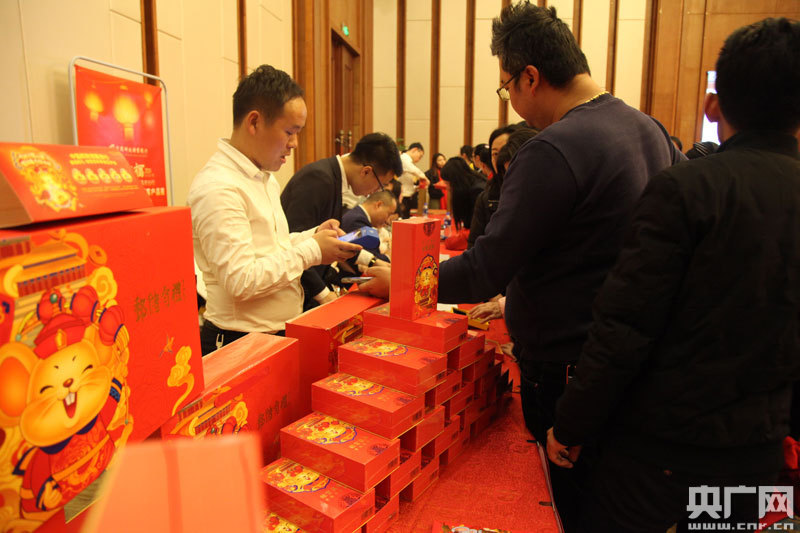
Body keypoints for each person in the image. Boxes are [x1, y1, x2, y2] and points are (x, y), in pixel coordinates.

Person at [361, 3, 682, 527]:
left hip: (567, 373)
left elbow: (484, 269)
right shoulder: (649, 130)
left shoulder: (553, 149)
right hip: (626, 367)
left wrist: (401, 281)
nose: (509, 99)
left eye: (506, 86)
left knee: (571, 508)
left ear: (531, 77)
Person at [548, 17, 800, 531]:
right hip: (759, 454)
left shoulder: (685, 189)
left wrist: (570, 425)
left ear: (713, 104)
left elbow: (624, 329)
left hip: (658, 458)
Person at [187, 65, 361, 356]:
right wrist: (312, 251)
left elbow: (271, 248)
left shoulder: (262, 177)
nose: (294, 144)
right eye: (290, 132)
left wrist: (312, 237)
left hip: (272, 334)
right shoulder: (219, 187)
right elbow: (241, 280)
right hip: (237, 341)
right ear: (254, 122)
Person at [281, 132, 402, 309]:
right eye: (380, 185)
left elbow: (338, 240)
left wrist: (374, 262)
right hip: (295, 291)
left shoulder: (333, 178)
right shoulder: (318, 179)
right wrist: (324, 295)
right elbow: (291, 245)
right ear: (366, 171)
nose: (375, 192)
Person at [469, 127, 538, 249]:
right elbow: (474, 245)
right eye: (495, 153)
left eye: (505, 150)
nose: (501, 157)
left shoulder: (541, 194)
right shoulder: (486, 198)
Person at [341, 190, 396, 262]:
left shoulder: (358, 215)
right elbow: (367, 258)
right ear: (379, 205)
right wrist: (388, 256)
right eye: (388, 214)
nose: (387, 220)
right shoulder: (357, 220)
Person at [439, 157, 486, 231]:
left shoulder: (477, 191)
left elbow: (475, 225)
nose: (447, 188)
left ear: (456, 180)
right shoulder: (470, 183)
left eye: (448, 183)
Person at [397, 142, 427, 218]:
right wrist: (426, 179)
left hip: (407, 196)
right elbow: (414, 170)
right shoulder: (404, 158)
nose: (419, 159)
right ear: (415, 150)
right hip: (402, 197)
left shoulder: (409, 161)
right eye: (420, 156)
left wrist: (415, 188)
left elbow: (406, 181)